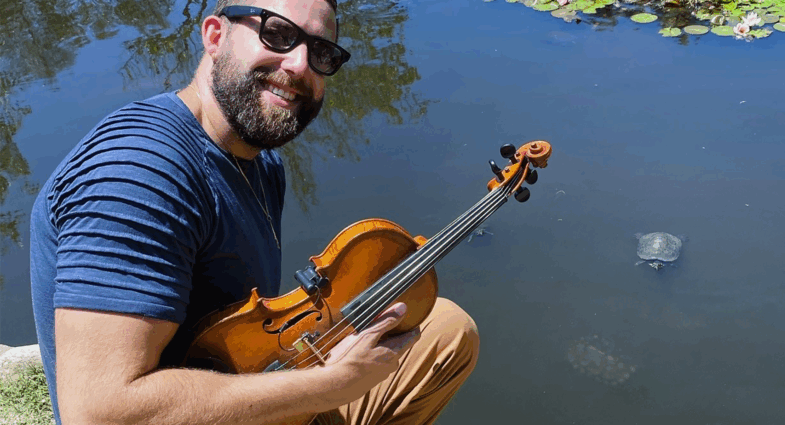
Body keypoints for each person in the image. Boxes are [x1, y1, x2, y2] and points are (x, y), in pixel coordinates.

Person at [29, 0, 479, 423]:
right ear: (214, 35)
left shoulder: (260, 162)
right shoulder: (141, 172)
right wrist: (331, 385)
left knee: (445, 329)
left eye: (321, 52)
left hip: (242, 387)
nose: (300, 65)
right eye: (278, 33)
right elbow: (98, 412)